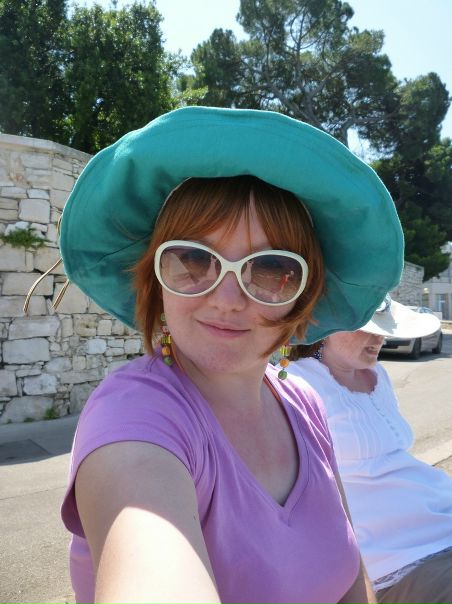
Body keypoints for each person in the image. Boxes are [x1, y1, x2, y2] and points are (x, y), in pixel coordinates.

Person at [52, 106, 404, 603]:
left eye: (271, 270)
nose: (226, 298)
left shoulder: (305, 404)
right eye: (193, 259)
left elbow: (350, 580)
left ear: (303, 296)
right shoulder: (133, 415)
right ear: (156, 276)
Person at [288, 295, 452, 604]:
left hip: (438, 513)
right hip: (395, 552)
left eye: (383, 329)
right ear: (328, 327)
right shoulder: (299, 382)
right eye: (367, 327)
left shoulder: (379, 375)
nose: (380, 338)